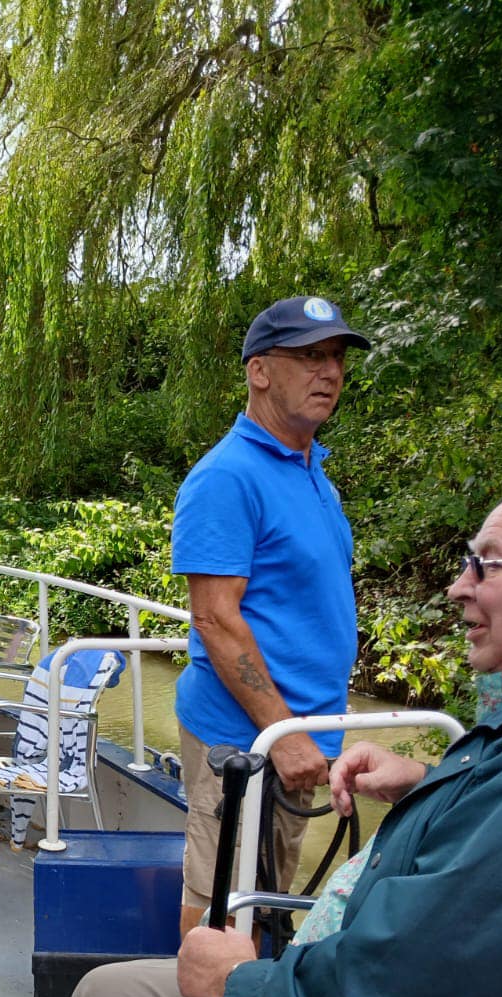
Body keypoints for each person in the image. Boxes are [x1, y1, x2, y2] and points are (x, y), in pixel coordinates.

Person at [10, 484, 502, 997]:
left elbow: (401, 995)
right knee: (105, 996)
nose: (457, 585)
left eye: (487, 566)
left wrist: (243, 986)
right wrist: (428, 782)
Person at [172, 295, 369, 934]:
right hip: (249, 739)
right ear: (260, 370)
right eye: (310, 356)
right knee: (218, 905)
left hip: (295, 738)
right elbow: (215, 619)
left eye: (336, 357)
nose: (331, 372)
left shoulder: (312, 470)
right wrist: (284, 736)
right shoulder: (228, 477)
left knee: (266, 901)